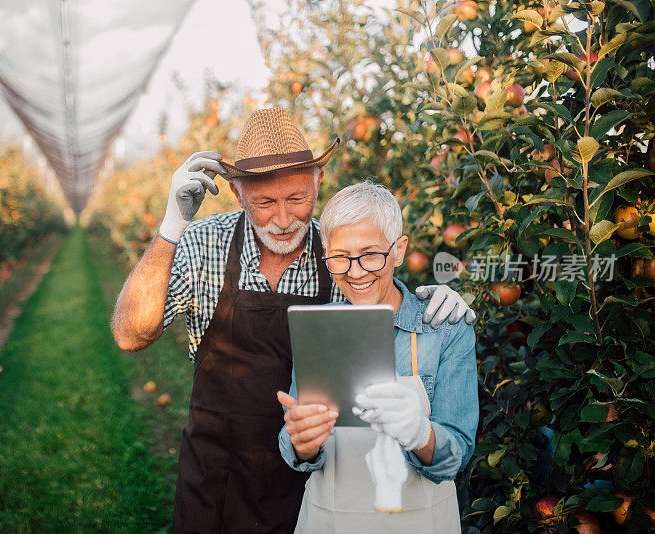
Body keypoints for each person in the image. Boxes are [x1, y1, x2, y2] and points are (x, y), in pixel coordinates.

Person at [112, 108, 475, 533]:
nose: (284, 221)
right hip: (218, 476)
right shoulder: (203, 244)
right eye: (265, 202)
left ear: (319, 184)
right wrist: (172, 226)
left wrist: (441, 300)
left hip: (309, 484)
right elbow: (130, 335)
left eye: (298, 199)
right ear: (237, 192)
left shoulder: (338, 252)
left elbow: (387, 298)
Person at [277, 182, 479, 533]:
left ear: (399, 251)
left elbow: (455, 457)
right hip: (332, 520)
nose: (355, 272)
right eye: (340, 257)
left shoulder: (445, 329)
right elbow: (297, 445)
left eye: (371, 254)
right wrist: (300, 441)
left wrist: (420, 434)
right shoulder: (318, 328)